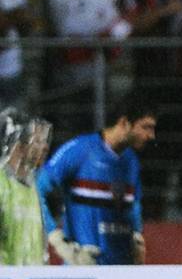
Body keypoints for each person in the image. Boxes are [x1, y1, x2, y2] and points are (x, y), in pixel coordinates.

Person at [37, 93, 156, 265]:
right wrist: (55, 237)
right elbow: (37, 188)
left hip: (121, 271)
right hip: (82, 269)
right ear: (124, 123)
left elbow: (134, 205)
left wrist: (137, 236)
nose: (151, 135)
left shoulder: (131, 161)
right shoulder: (79, 150)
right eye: (146, 127)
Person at [0, 110, 53, 265]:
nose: (44, 147)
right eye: (37, 141)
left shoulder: (32, 187)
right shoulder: (2, 184)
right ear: (18, 145)